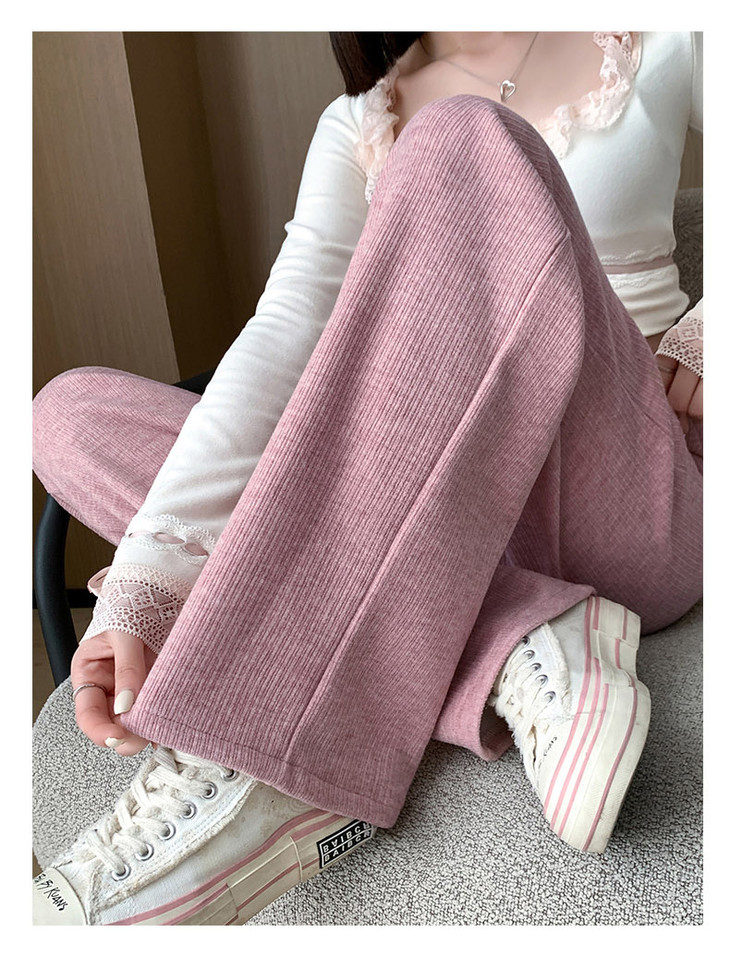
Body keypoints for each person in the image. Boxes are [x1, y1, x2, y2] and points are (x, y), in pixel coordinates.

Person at [31, 30, 702, 925]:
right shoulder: (358, 121)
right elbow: (284, 338)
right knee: (68, 416)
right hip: (425, 507)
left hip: (623, 488)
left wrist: (711, 335)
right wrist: (148, 581)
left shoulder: (662, 32)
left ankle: (264, 762)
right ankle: (520, 631)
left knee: (462, 137)